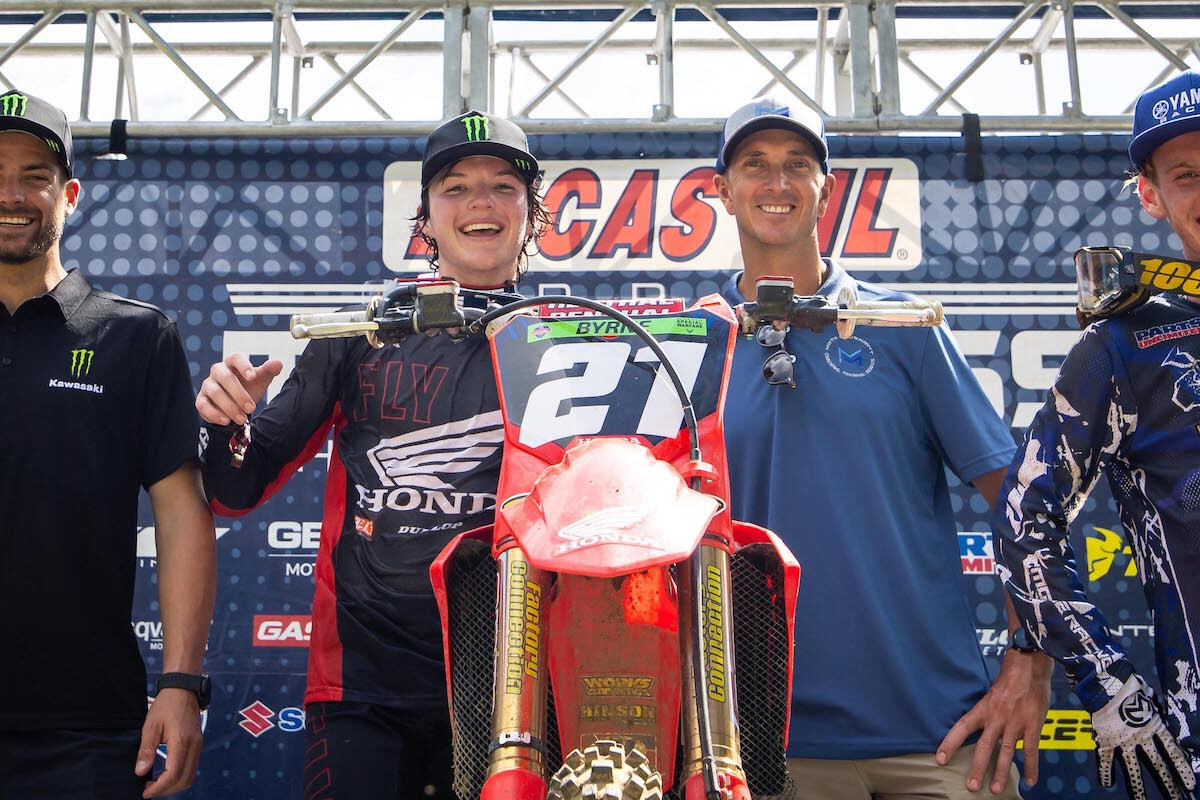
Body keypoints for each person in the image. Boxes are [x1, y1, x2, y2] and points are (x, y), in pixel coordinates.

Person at [196, 110, 551, 800]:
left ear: (532, 216)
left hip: (516, 687)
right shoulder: (359, 332)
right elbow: (234, 490)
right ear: (424, 220)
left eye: (503, 186)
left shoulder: (568, 343)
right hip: (362, 689)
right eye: (455, 186)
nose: (480, 201)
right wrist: (223, 423)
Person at [713, 96, 1053, 799]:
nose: (776, 183)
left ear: (826, 189)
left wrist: (1028, 658)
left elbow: (1022, 501)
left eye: (797, 166)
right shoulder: (693, 342)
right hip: (766, 748)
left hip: (941, 740)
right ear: (721, 189)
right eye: (755, 165)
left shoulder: (903, 326)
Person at [0, 90, 216, 800]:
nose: (13, 194)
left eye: (34, 174)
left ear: (69, 194)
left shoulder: (134, 336)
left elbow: (182, 512)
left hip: (87, 728)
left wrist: (182, 684)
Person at [992, 70, 1200, 800]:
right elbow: (1024, 515)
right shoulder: (1125, 345)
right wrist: (1108, 680)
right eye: (1187, 175)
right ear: (1151, 194)